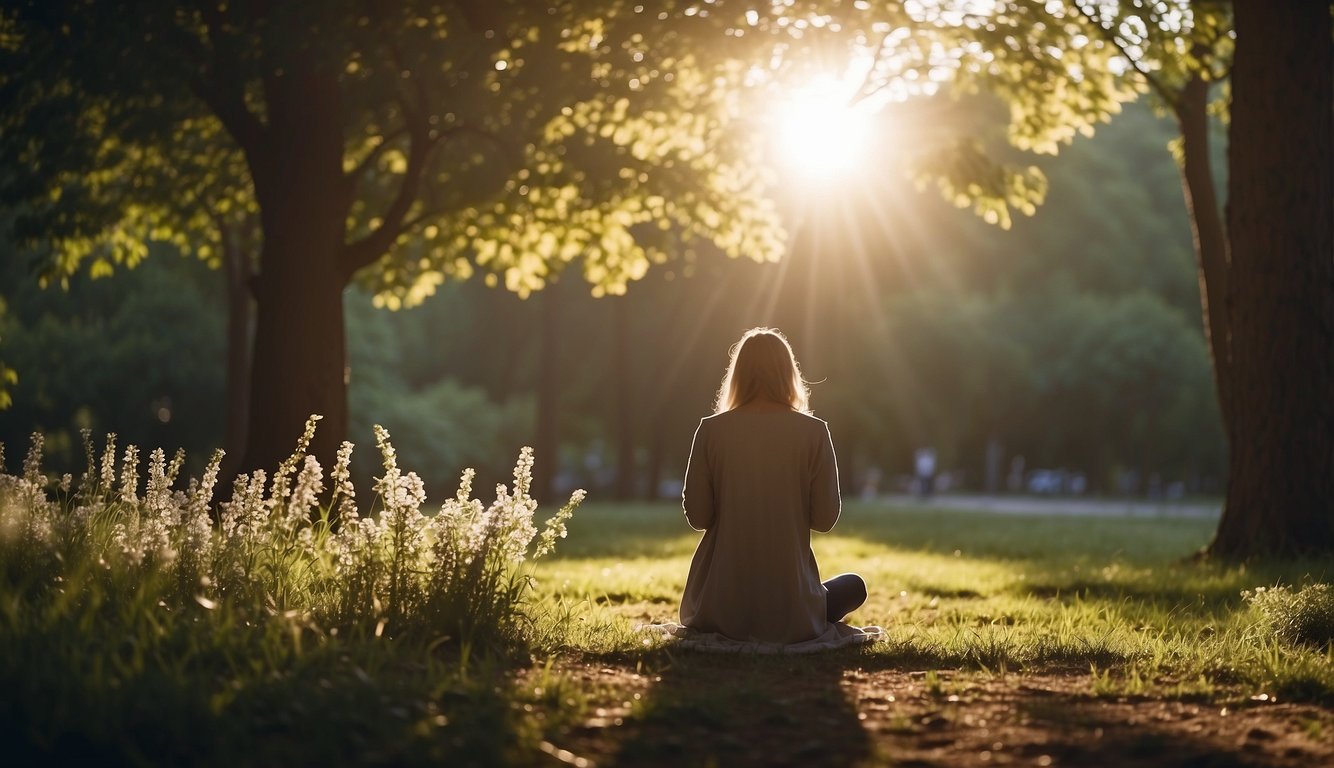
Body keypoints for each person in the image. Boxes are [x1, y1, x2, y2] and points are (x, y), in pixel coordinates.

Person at [679, 327, 868, 644]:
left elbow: (698, 516)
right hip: (791, 610)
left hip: (717, 608)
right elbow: (824, 520)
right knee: (853, 586)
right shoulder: (814, 432)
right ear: (789, 372)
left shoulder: (711, 430)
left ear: (736, 374)